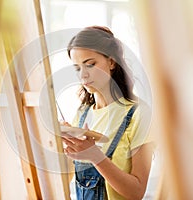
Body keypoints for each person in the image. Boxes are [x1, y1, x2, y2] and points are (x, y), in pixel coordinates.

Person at [61, 26, 154, 200]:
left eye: (90, 64)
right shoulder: (82, 114)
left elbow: (136, 192)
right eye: (77, 68)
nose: (83, 75)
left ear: (111, 62)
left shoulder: (138, 114)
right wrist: (63, 144)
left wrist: (96, 157)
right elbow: (67, 177)